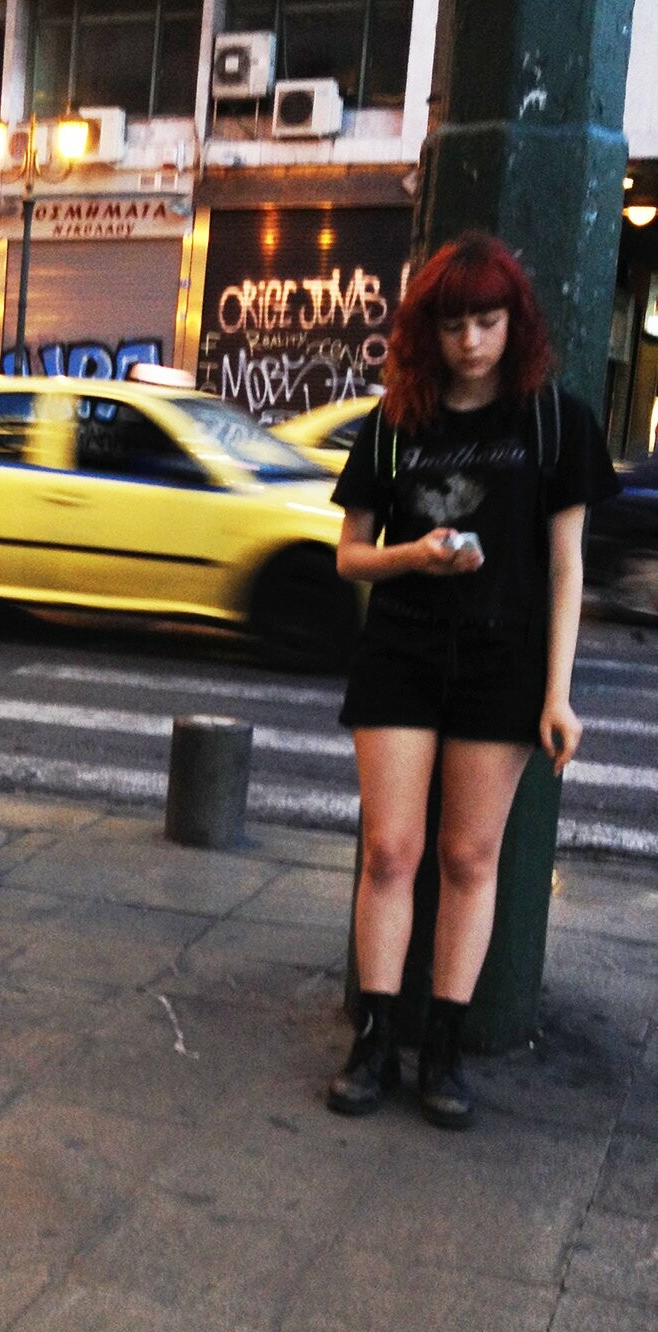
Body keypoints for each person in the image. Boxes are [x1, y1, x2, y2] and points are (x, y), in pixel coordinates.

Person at [325, 232, 619, 1130]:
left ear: (514, 323)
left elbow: (567, 567)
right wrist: (415, 555)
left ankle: (444, 1047)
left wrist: (558, 694)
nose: (471, 342)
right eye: (454, 325)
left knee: (469, 858)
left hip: (504, 661)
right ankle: (376, 1037)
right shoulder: (395, 424)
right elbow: (349, 556)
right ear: (430, 330)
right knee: (390, 851)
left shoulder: (554, 423)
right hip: (403, 652)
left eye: (488, 322)